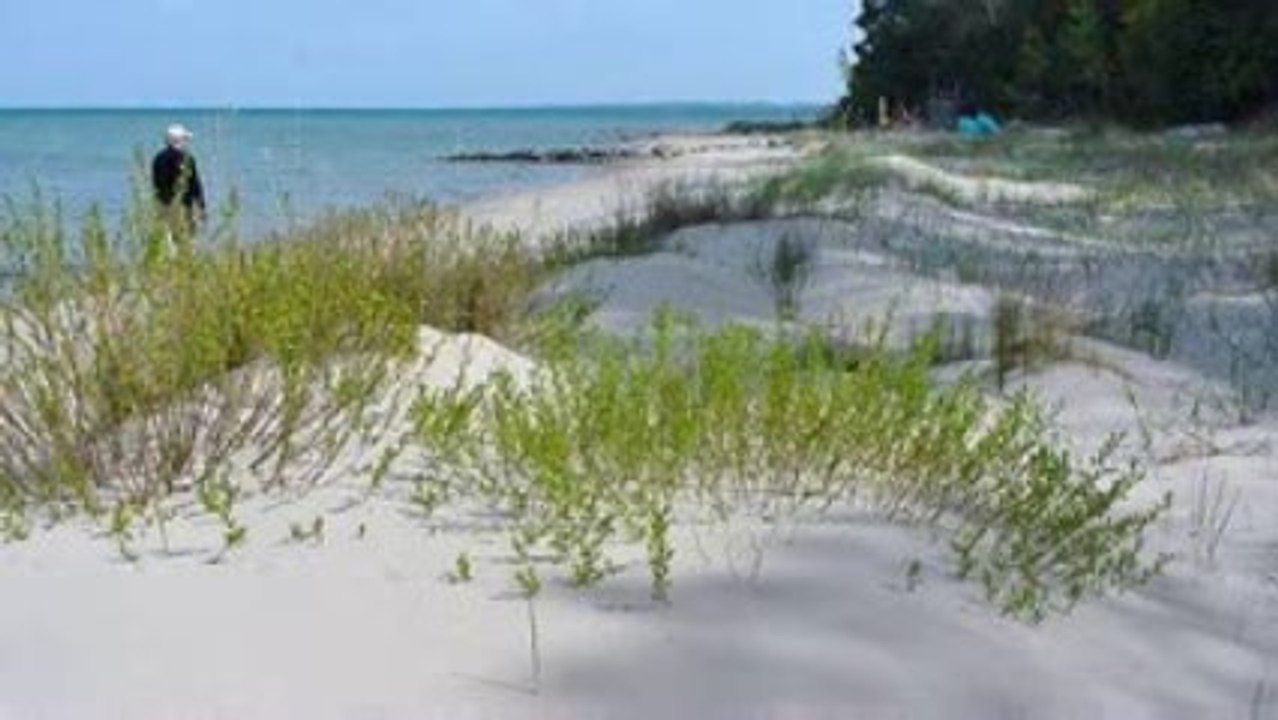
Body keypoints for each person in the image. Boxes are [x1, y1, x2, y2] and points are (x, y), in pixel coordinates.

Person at [151, 124, 206, 234]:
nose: (186, 143)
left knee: (167, 240)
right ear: (179, 141)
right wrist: (201, 207)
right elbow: (195, 185)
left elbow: (158, 184)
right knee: (186, 240)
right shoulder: (187, 159)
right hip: (184, 207)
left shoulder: (158, 158)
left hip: (163, 206)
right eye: (185, 139)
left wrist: (163, 203)